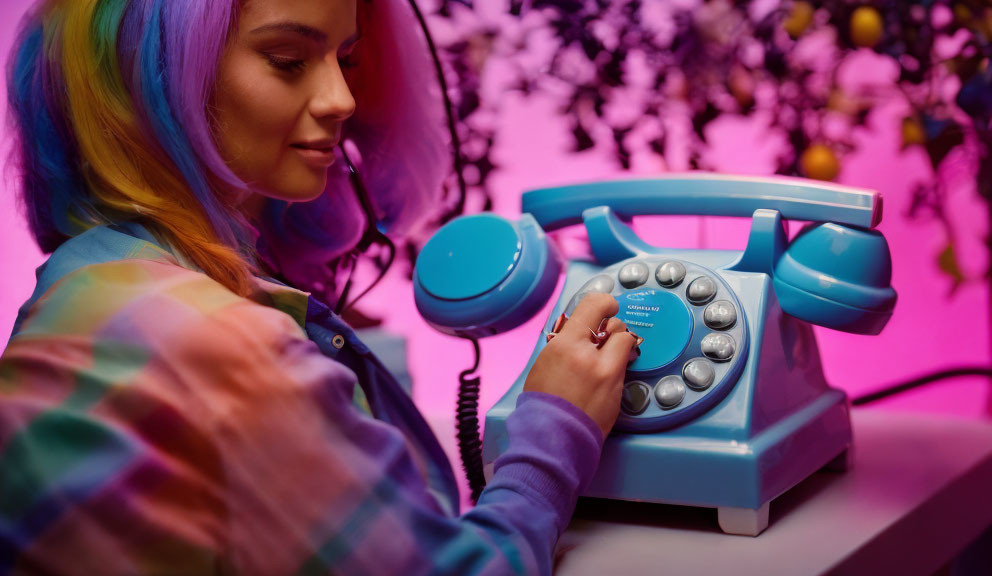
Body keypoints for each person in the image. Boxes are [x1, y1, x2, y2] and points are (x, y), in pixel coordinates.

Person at [0, 0, 637, 574]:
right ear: (152, 82)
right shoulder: (215, 342)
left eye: (348, 58)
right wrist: (556, 428)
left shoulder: (79, 287)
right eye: (288, 59)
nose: (342, 99)